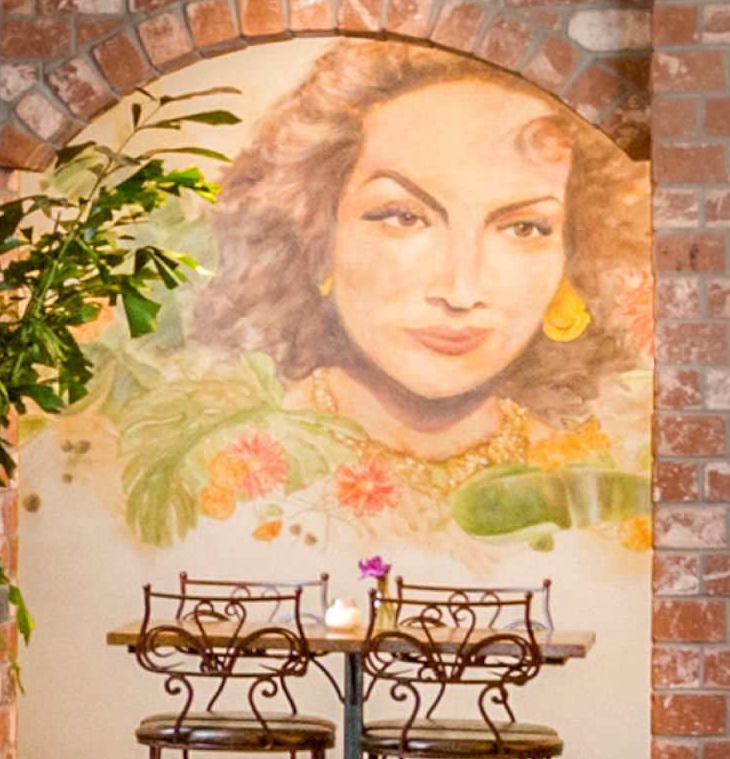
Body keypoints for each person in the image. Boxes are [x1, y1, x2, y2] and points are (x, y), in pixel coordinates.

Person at [181, 42, 645, 457]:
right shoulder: (231, 465)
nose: (461, 292)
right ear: (317, 235)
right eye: (403, 217)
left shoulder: (588, 469)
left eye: (524, 228)